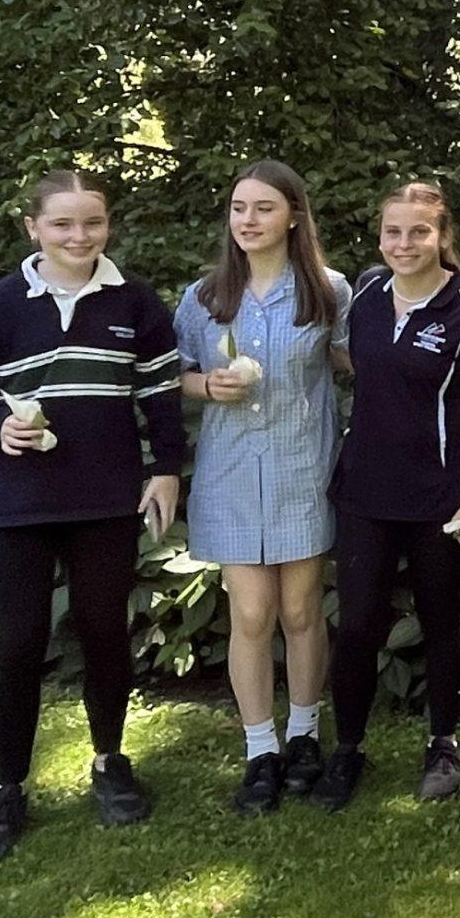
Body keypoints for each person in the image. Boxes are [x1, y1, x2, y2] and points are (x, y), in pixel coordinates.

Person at [0, 169, 185, 859]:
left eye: (93, 222)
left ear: (108, 225)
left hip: (105, 498)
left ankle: (110, 761)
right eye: (62, 224)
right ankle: (8, 789)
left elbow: (161, 391)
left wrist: (167, 468)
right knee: (17, 644)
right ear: (33, 229)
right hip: (13, 502)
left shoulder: (134, 300)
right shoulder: (1, 303)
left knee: (103, 631)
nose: (80, 236)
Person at [314, 182, 460, 812]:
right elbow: (356, 363)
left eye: (419, 232)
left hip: (439, 497)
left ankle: (442, 744)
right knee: (357, 625)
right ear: (380, 237)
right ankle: (348, 749)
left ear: (442, 238)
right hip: (364, 490)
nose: (404, 244)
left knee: (440, 617)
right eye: (393, 232)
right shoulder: (368, 295)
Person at [172, 161, 353, 813]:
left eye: (264, 208)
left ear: (294, 217)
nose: (247, 220)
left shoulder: (328, 291)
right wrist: (204, 385)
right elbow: (172, 374)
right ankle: (259, 749)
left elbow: (357, 361)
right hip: (229, 473)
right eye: (239, 208)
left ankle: (303, 735)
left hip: (301, 468)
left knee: (301, 611)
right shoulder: (203, 297)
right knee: (251, 614)